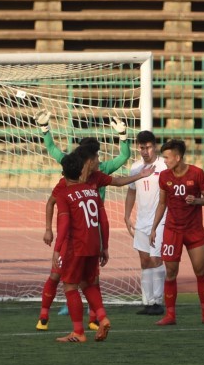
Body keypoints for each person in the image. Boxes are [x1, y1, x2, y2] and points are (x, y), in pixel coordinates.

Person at [38, 144, 148, 329]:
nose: (100, 160)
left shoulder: (94, 178)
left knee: (85, 282)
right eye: (97, 157)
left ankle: (90, 322)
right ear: (88, 161)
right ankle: (44, 316)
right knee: (58, 276)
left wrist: (140, 175)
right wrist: (48, 229)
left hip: (81, 239)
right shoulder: (66, 185)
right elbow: (51, 204)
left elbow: (117, 183)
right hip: (79, 240)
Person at [148, 139, 204, 326]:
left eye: (167, 158)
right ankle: (170, 315)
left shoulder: (197, 173)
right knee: (170, 273)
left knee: (200, 271)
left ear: (177, 158)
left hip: (194, 230)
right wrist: (154, 228)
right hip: (172, 230)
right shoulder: (163, 176)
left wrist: (196, 200)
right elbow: (162, 203)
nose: (165, 161)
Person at [46, 151, 113, 343]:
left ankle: (78, 332)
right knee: (88, 283)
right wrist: (105, 246)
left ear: (63, 173)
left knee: (70, 285)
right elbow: (104, 220)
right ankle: (103, 317)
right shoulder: (91, 191)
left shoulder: (64, 194)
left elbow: (65, 225)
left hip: (76, 246)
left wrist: (57, 249)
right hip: (94, 244)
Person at [124, 130, 167, 315]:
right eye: (142, 147)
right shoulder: (135, 168)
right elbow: (131, 191)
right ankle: (148, 302)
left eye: (148, 147)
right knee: (144, 261)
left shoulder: (164, 166)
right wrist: (127, 215)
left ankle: (158, 301)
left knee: (156, 259)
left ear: (154, 146)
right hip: (141, 221)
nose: (145, 151)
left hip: (160, 221)